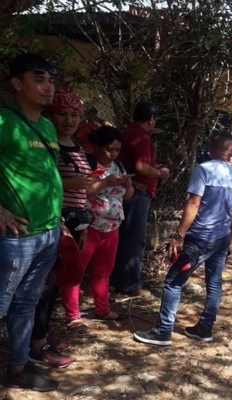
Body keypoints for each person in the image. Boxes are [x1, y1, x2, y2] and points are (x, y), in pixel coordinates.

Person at [133, 132, 232, 346]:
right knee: (214, 284)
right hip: (220, 239)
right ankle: (204, 328)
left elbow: (193, 204)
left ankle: (163, 330)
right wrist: (230, 240)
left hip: (199, 239)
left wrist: (179, 234)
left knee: (174, 282)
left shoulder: (203, 170)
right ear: (231, 152)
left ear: (210, 149)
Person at [0, 53, 63, 392]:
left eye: (51, 80)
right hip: (16, 237)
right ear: (16, 83)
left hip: (49, 232)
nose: (47, 87)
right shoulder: (4, 122)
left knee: (27, 303)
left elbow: (47, 175)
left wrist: (59, 220)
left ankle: (18, 368)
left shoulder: (48, 125)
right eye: (38, 79)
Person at [28, 88, 91, 370]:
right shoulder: (46, 144)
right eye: (62, 114)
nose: (69, 120)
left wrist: (85, 227)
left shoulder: (78, 149)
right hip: (55, 222)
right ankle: (35, 344)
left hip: (75, 224)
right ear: (51, 115)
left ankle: (40, 334)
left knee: (56, 284)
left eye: (74, 115)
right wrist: (61, 221)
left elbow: (85, 191)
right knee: (43, 286)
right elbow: (43, 184)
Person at [64, 126, 135, 327]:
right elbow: (83, 191)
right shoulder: (88, 163)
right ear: (97, 147)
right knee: (77, 270)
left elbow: (126, 197)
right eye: (109, 149)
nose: (113, 154)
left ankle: (102, 309)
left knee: (104, 271)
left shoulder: (118, 166)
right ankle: (73, 315)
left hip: (112, 227)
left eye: (116, 150)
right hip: (90, 226)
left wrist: (127, 187)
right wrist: (106, 183)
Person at [112, 101, 170, 297]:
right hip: (137, 192)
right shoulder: (141, 137)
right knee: (134, 239)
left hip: (129, 191)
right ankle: (130, 284)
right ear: (151, 119)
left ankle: (118, 280)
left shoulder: (129, 132)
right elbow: (141, 167)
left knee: (124, 237)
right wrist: (160, 173)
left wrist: (154, 166)